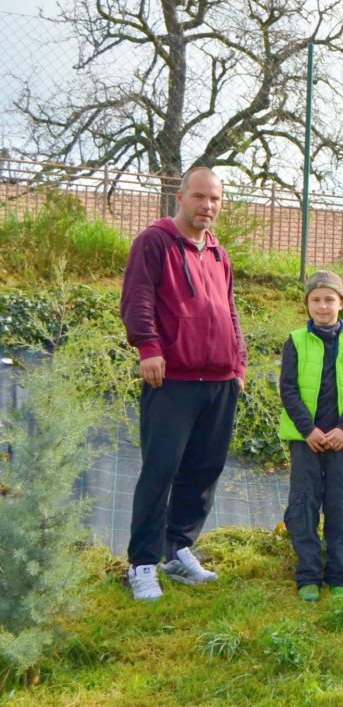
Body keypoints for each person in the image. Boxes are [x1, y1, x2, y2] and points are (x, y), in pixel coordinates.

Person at [120, 166, 246, 601]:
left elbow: (229, 310)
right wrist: (148, 346)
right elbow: (137, 297)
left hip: (220, 380)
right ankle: (142, 564)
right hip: (172, 377)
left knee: (204, 471)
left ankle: (176, 550)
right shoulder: (154, 242)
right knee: (160, 471)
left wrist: (239, 364)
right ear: (180, 197)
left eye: (214, 199)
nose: (207, 205)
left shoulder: (218, 253)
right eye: (199, 196)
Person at [278, 271, 343, 601]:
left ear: (341, 303)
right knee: (303, 503)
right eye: (315, 300)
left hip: (342, 442)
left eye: (329, 299)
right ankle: (307, 575)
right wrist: (309, 430)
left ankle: (339, 575)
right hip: (306, 440)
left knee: (341, 503)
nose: (322, 306)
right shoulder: (295, 341)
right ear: (306, 304)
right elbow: (288, 390)